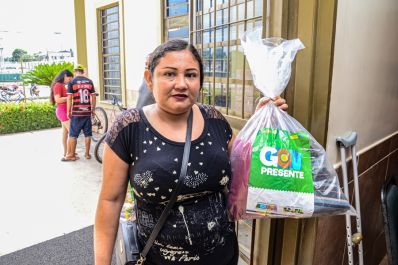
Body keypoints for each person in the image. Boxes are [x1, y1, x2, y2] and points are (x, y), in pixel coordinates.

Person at [94, 39, 287, 265]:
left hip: (223, 256)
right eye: (169, 74)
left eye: (191, 75)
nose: (181, 84)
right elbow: (110, 200)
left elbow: (244, 167)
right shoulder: (129, 128)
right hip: (157, 260)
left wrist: (262, 123)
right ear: (149, 79)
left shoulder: (214, 120)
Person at [63, 64, 96, 161]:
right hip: (87, 112)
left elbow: (69, 98)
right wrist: (93, 109)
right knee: (88, 134)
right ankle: (87, 154)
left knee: (73, 135)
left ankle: (72, 155)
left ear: (75, 72)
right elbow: (93, 96)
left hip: (76, 113)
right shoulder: (89, 82)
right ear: (83, 72)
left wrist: (68, 111)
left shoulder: (72, 82)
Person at [50, 69, 74, 159]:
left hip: (63, 111)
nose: (70, 81)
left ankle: (66, 153)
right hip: (62, 112)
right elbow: (58, 100)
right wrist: (70, 97)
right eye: (69, 79)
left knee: (65, 133)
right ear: (64, 76)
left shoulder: (62, 85)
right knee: (72, 133)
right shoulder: (58, 85)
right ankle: (69, 154)